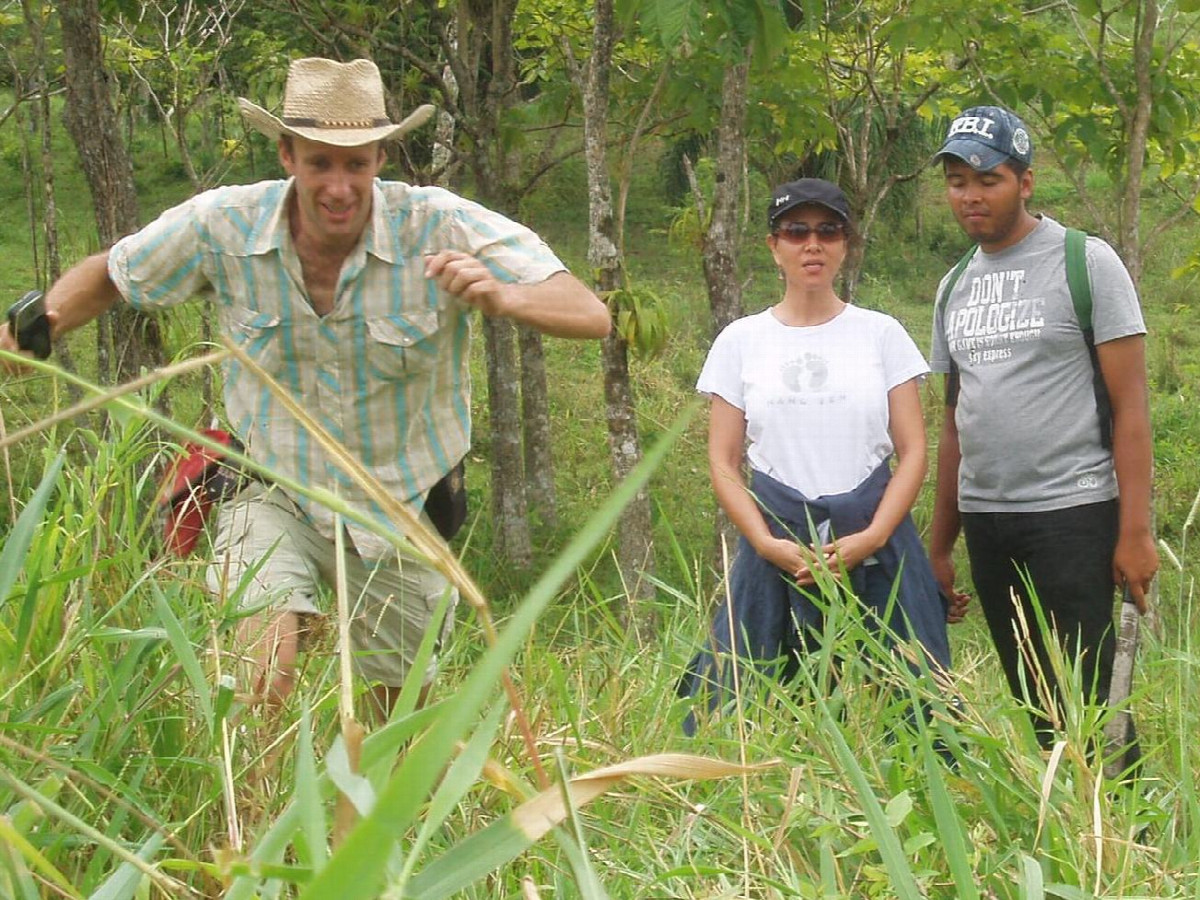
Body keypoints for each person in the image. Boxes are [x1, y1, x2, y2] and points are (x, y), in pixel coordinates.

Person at [0, 57, 610, 720]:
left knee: (396, 718)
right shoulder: (222, 226)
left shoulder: (439, 225)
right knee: (257, 671)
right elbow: (112, 273)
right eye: (322, 163)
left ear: (381, 157)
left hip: (399, 503)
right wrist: (35, 330)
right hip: (272, 484)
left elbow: (587, 312)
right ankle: (251, 807)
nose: (340, 187)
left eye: (358, 164)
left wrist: (503, 295)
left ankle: (376, 813)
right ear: (287, 156)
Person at [927, 105, 1157, 769]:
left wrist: (1136, 533)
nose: (970, 196)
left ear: (1025, 182)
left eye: (988, 179)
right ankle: (1066, 819)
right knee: (1033, 692)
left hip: (1073, 512)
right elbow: (954, 421)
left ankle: (1121, 835)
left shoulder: (1085, 263)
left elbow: (1131, 405)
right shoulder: (953, 287)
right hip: (989, 519)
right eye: (957, 181)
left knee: (1094, 690)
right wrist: (941, 547)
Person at [678, 178, 952, 733]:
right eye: (796, 231)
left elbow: (915, 449)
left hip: (874, 538)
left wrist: (872, 537)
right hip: (776, 540)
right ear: (773, 245)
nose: (813, 245)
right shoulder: (741, 340)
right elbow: (724, 461)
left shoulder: (882, 335)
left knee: (917, 712)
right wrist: (762, 542)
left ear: (846, 244)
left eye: (828, 231)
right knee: (743, 708)